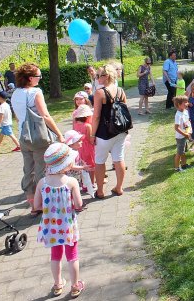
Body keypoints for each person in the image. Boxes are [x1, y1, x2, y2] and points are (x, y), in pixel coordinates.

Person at [11, 63, 64, 215]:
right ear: (29, 78)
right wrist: (59, 134)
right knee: (41, 169)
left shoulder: (15, 93)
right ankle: (43, 204)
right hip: (38, 137)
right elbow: (45, 115)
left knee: (28, 170)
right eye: (38, 76)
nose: (40, 78)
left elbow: (17, 116)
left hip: (23, 135)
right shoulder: (35, 92)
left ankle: (33, 205)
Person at [34, 143, 86, 298]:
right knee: (72, 255)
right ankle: (75, 286)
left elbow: (36, 205)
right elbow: (78, 204)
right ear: (66, 164)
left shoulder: (42, 183)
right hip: (68, 226)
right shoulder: (71, 182)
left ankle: (57, 284)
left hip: (51, 226)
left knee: (55, 255)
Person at [91, 64, 129, 198]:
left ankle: (100, 191)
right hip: (120, 130)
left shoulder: (99, 93)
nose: (96, 78)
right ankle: (119, 188)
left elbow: (96, 116)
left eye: (98, 75)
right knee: (119, 158)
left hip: (104, 132)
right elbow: (125, 110)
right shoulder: (120, 90)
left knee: (100, 160)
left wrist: (92, 134)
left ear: (106, 76)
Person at [71, 104, 97, 193]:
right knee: (91, 165)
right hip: (88, 148)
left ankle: (84, 185)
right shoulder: (87, 126)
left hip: (79, 148)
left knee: (82, 165)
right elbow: (90, 140)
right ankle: (92, 183)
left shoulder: (75, 125)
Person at [172, 95, 192, 172]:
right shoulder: (178, 115)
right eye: (185, 102)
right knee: (179, 153)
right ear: (179, 105)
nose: (187, 104)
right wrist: (184, 134)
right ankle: (177, 168)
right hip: (180, 137)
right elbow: (176, 127)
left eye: (187, 102)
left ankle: (184, 165)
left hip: (185, 135)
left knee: (183, 152)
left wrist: (189, 131)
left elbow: (187, 122)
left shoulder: (185, 111)